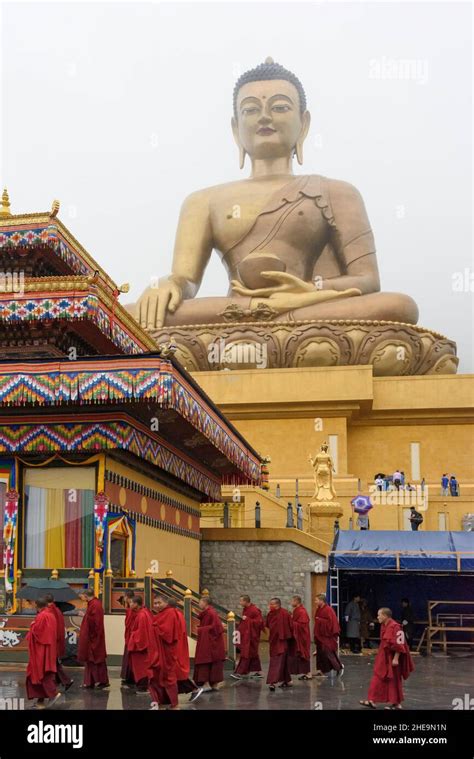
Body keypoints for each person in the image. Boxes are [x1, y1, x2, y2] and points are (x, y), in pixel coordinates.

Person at [360, 607, 414, 710]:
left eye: (379, 615)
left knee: (394, 680)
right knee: (378, 677)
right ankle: (372, 700)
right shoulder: (384, 625)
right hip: (383, 657)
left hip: (392, 658)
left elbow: (399, 643)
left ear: (385, 616)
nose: (377, 617)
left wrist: (396, 658)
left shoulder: (395, 627)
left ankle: (397, 704)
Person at [26, 598, 61, 709]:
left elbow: (38, 633)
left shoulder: (42, 616)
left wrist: (32, 626)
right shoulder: (50, 615)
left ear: (36, 604)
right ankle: (40, 702)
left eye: (31, 603)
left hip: (41, 650)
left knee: (40, 673)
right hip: (48, 649)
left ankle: (53, 694)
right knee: (43, 673)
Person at [148, 595, 179, 709]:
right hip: (157, 651)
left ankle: (175, 705)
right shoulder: (160, 614)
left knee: (168, 677)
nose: (156, 605)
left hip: (166, 652)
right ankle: (159, 702)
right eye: (155, 603)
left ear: (166, 603)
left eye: (159, 603)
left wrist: (155, 627)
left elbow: (168, 634)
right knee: (155, 676)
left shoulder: (170, 613)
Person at [170, 601, 203, 702]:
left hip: (175, 645)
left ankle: (193, 689)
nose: (157, 606)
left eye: (159, 603)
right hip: (178, 644)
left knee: (176, 671)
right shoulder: (177, 614)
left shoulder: (173, 615)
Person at [77, 589, 109, 689]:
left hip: (95, 637)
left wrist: (84, 616)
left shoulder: (96, 605)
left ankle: (102, 681)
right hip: (92, 636)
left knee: (96, 659)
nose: (81, 598)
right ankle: (90, 682)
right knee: (90, 660)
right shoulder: (92, 603)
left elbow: (96, 622)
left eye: (81, 596)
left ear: (86, 595)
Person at [193, 596, 226, 691]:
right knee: (211, 661)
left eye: (200, 602)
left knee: (206, 661)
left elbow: (216, 628)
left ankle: (207, 684)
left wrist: (200, 630)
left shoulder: (211, 613)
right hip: (209, 640)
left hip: (211, 642)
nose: (199, 604)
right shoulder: (208, 613)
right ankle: (213, 684)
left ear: (205, 603)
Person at [44, 593, 73, 691]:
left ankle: (65, 681)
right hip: (57, 641)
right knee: (55, 664)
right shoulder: (57, 610)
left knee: (54, 664)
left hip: (53, 642)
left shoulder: (50, 612)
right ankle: (64, 682)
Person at [127, 595, 156, 694]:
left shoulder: (142, 615)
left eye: (131, 602)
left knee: (141, 667)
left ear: (136, 604)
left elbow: (142, 633)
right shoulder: (143, 612)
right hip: (142, 646)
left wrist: (133, 636)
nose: (129, 604)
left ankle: (143, 687)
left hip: (140, 647)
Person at [231, 594, 264, 679]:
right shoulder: (246, 609)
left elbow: (259, 622)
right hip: (247, 634)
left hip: (252, 636)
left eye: (241, 601)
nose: (240, 602)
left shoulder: (254, 610)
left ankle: (240, 673)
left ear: (246, 601)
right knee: (253, 653)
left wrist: (248, 620)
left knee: (246, 653)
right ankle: (257, 671)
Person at [265, 597, 293, 691]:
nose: (270, 606)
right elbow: (268, 625)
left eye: (272, 604)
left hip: (282, 641)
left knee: (276, 661)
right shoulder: (270, 614)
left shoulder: (285, 613)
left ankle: (272, 682)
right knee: (283, 661)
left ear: (278, 605)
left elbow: (291, 626)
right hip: (273, 640)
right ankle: (287, 680)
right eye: (270, 604)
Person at [313, 593, 343, 677]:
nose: (315, 602)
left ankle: (337, 667)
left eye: (316, 600)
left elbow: (331, 623)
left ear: (321, 601)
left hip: (327, 636)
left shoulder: (328, 610)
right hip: (320, 635)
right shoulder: (319, 609)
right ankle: (321, 671)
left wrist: (320, 620)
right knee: (320, 654)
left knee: (328, 653)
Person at [288, 595, 312, 680]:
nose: (290, 602)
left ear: (296, 602)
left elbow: (303, 626)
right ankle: (305, 672)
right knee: (297, 655)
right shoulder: (296, 610)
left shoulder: (302, 611)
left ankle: (308, 673)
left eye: (292, 601)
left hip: (302, 638)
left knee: (303, 654)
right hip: (298, 637)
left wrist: (292, 621)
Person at [120, 589, 136, 686]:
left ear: (126, 596)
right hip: (130, 635)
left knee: (130, 657)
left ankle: (131, 677)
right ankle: (129, 677)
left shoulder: (131, 609)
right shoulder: (130, 608)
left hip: (131, 635)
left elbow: (129, 623)